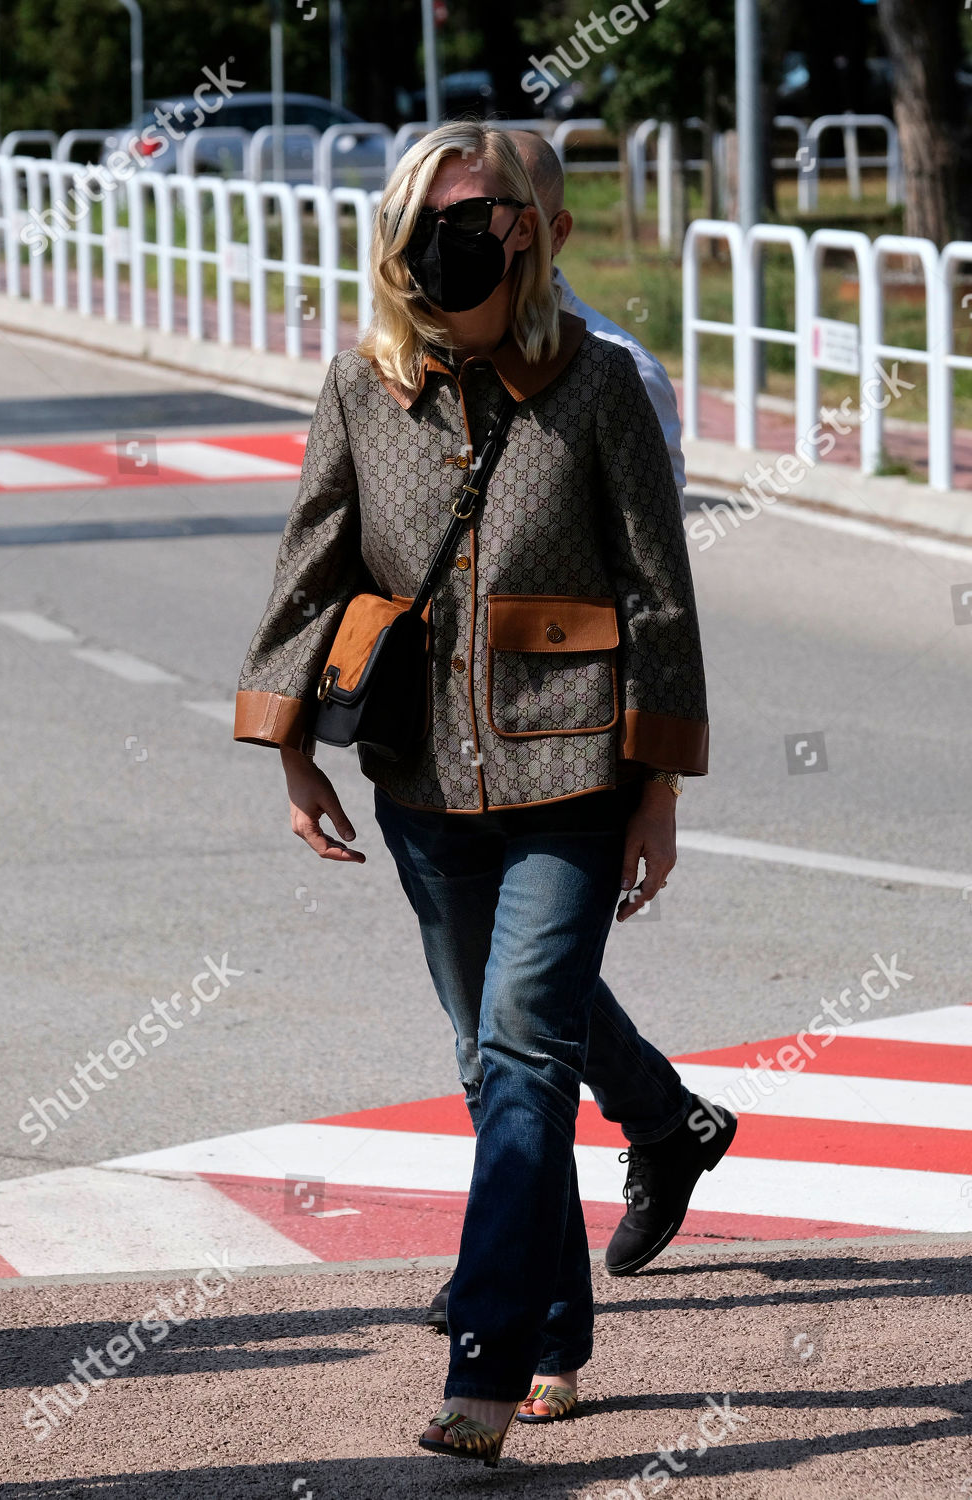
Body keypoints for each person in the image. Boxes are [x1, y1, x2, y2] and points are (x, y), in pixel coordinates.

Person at [234, 120, 721, 1467]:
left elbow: (656, 595)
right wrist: (288, 750)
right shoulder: (359, 389)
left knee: (517, 1046)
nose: (453, 233)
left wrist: (658, 793)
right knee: (496, 1060)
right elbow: (312, 570)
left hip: (574, 769)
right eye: (431, 213)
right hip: (419, 781)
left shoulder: (602, 384)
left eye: (480, 210)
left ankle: (488, 1364)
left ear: (534, 230)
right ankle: (561, 1324)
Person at [508, 129, 686, 512]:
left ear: (557, 233)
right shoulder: (419, 355)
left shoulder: (627, 371)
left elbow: (655, 550)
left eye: (518, 223)